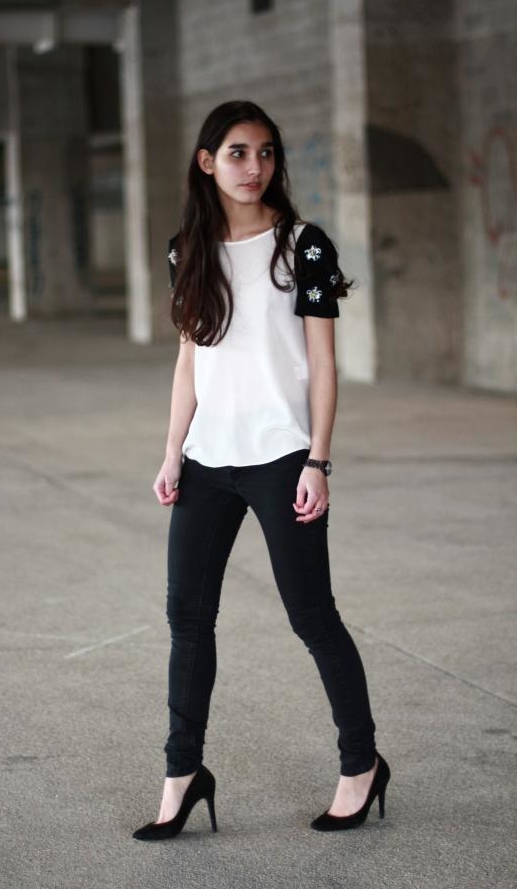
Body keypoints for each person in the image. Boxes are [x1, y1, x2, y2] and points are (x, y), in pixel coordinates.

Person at [132, 100, 390, 841]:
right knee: (187, 621)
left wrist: (318, 458)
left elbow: (323, 363)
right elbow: (191, 359)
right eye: (238, 153)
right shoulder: (187, 250)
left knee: (312, 616)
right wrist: (173, 450)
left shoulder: (303, 246)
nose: (255, 167)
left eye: (267, 152)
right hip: (208, 461)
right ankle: (182, 776)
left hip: (282, 457)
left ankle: (361, 764)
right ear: (207, 162)